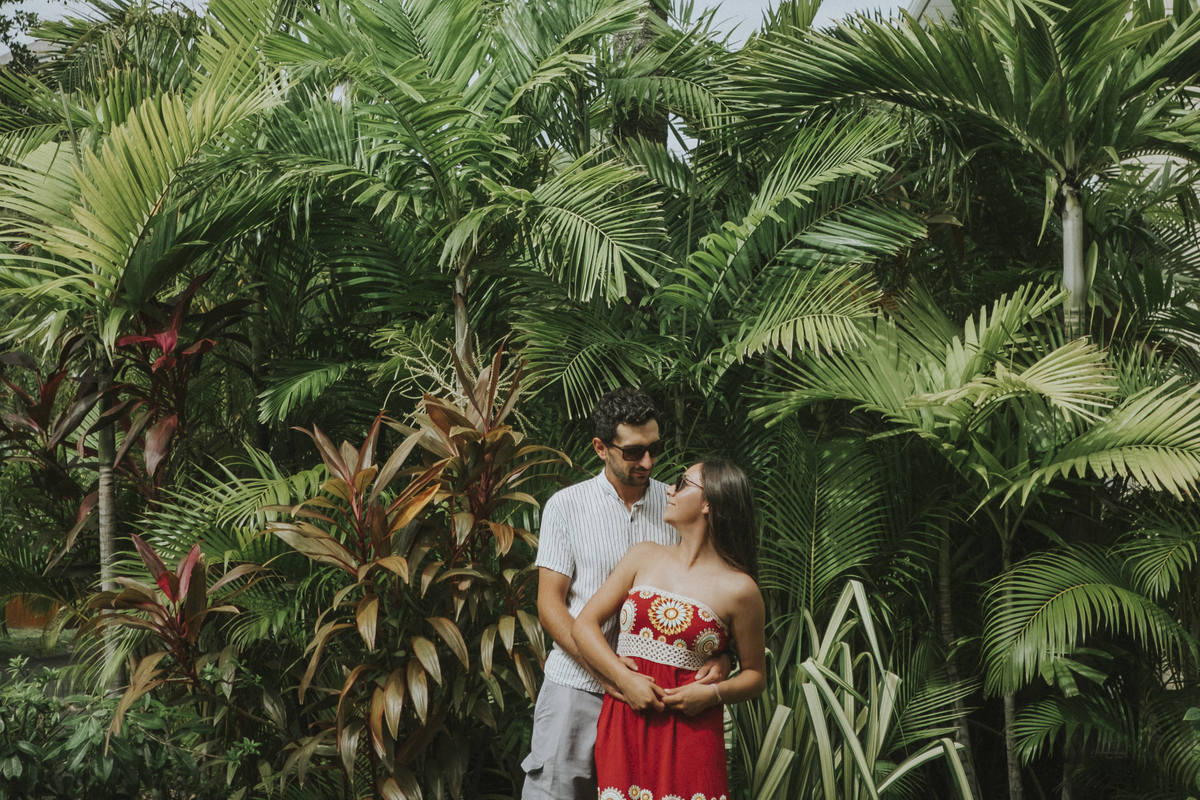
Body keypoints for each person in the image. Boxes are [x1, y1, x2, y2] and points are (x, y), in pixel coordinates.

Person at [522, 388, 729, 800]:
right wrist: (614, 674)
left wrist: (722, 656)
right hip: (575, 689)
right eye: (634, 452)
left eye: (654, 449)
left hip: (654, 701)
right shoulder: (566, 506)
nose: (648, 462)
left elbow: (711, 594)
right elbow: (550, 606)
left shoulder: (678, 508)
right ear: (601, 448)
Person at [572, 459, 767, 800]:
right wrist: (623, 678)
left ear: (709, 503)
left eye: (683, 483)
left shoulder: (740, 589)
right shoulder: (643, 556)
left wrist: (712, 694)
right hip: (626, 721)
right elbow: (584, 626)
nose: (670, 491)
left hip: (692, 731)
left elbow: (755, 675)